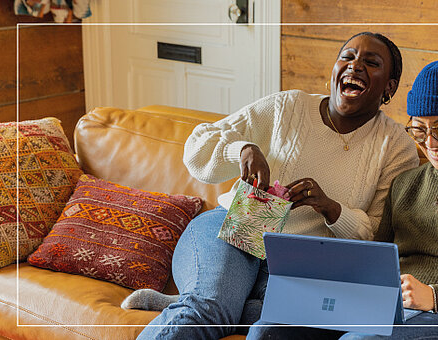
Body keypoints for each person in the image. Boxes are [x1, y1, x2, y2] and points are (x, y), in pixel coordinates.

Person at [123, 32, 420, 339]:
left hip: (302, 263)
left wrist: (332, 209)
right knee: (207, 311)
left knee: (270, 323)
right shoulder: (287, 107)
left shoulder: (396, 146)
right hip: (236, 226)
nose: (355, 66)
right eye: (347, 57)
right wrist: (242, 150)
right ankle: (202, 301)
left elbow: (379, 234)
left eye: (371, 63)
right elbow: (197, 147)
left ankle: (196, 299)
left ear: (389, 86)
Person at [248, 60, 438, 340]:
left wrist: (436, 295)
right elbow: (376, 259)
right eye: (419, 129)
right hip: (388, 307)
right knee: (269, 329)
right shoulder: (406, 183)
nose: (430, 144)